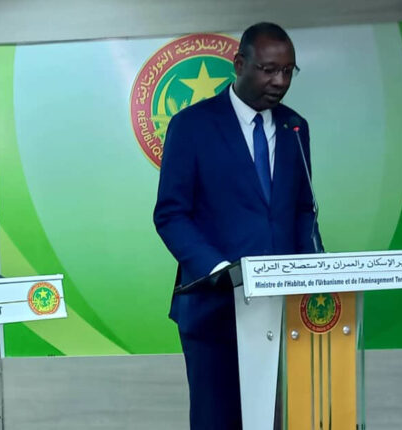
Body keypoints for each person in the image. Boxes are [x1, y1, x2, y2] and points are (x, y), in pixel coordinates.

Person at [153, 22, 322, 429]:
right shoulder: (192, 125)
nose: (279, 81)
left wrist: (315, 273)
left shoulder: (295, 127)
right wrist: (218, 272)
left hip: (283, 311)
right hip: (215, 310)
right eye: (268, 70)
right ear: (240, 64)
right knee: (219, 420)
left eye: (288, 71)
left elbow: (303, 210)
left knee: (279, 418)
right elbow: (171, 214)